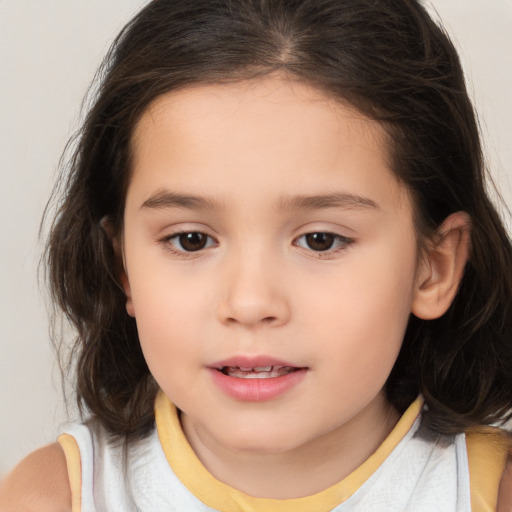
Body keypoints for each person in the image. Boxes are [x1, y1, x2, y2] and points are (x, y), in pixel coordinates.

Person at [1, 0, 512, 510]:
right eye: (191, 240)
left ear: (434, 267)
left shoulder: (493, 490)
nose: (249, 303)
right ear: (124, 267)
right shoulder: (57, 497)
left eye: (320, 240)